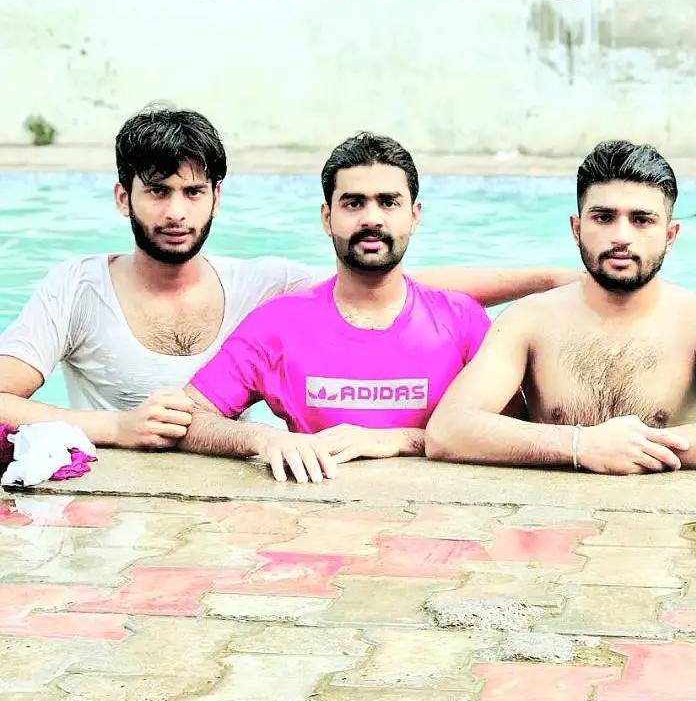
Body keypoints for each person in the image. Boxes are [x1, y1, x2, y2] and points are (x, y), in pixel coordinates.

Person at [0, 110, 573, 451]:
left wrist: (551, 279)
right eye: (157, 192)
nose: (176, 212)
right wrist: (114, 427)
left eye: (193, 192)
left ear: (216, 199)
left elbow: (385, 284)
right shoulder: (76, 288)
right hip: (113, 474)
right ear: (123, 198)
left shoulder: (265, 286)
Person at [182, 133, 517, 482]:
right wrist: (264, 438)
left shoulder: (462, 321)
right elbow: (190, 418)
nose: (372, 219)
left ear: (414, 216)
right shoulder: (278, 324)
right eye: (354, 203)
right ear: (327, 218)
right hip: (316, 509)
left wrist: (400, 440)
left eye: (388, 202)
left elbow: (515, 428)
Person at [425, 139, 696, 475]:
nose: (621, 236)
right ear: (577, 229)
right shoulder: (529, 319)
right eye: (604, 217)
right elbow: (448, 430)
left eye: (642, 220)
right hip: (549, 510)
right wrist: (579, 445)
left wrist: (635, 447)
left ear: (670, 236)